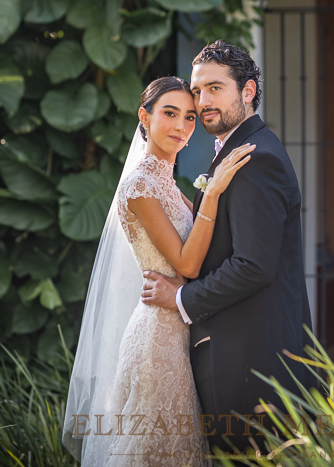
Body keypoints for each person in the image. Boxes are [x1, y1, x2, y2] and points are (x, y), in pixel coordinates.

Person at [61, 75, 254, 466]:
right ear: (144, 117)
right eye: (170, 114)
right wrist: (213, 193)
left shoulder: (168, 183)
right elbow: (186, 263)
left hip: (178, 333)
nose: (182, 126)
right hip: (157, 343)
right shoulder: (140, 186)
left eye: (189, 117)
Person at [141, 41, 314, 456]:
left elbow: (254, 266)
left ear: (248, 91)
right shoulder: (236, 152)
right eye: (197, 92)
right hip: (239, 356)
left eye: (215, 89)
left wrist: (180, 297)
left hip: (252, 362)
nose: (202, 103)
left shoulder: (257, 159)